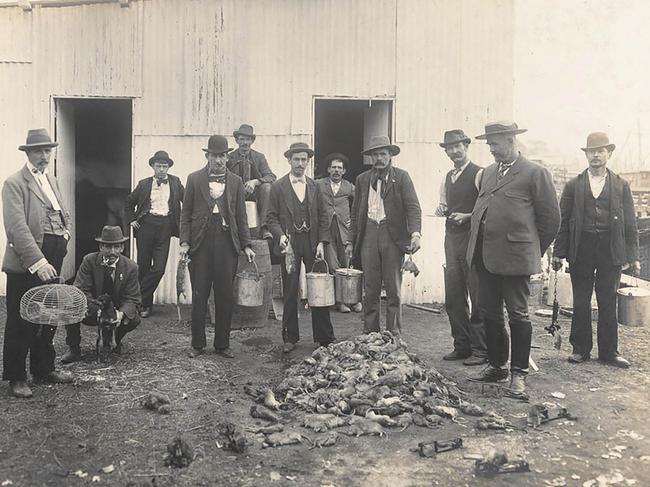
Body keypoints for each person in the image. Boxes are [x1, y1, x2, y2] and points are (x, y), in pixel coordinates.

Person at [466, 121, 560, 397]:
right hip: (485, 256)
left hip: (516, 258)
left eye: (495, 144)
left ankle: (519, 374)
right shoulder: (488, 173)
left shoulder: (535, 173)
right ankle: (497, 365)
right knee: (490, 313)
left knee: (518, 315)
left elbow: (551, 220)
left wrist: (531, 250)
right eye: (490, 144)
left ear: (511, 141)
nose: (491, 149)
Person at [552, 132, 638, 369]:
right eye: (592, 151)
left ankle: (609, 352)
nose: (596, 155)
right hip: (582, 247)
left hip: (610, 247)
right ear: (586, 155)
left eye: (601, 151)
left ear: (608, 154)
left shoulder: (621, 185)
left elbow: (630, 224)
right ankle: (580, 349)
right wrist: (558, 253)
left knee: (608, 299)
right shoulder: (573, 185)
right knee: (581, 299)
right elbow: (563, 221)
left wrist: (633, 256)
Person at [2, 128, 74, 398]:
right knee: (23, 317)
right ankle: (17, 377)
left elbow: (62, 213)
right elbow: (17, 229)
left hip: (54, 258)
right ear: (28, 153)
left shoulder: (51, 181)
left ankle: (44, 369)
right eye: (38, 151)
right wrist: (38, 261)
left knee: (49, 316)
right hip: (28, 263)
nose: (44, 155)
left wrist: (66, 234)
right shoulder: (14, 184)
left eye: (47, 150)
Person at [180, 135, 255, 359]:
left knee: (224, 296)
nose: (219, 160)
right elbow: (185, 215)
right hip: (200, 244)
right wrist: (185, 242)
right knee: (200, 294)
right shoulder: (194, 179)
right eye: (215, 156)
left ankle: (222, 344)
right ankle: (197, 344)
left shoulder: (235, 181)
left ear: (226, 157)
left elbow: (241, 216)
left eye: (222, 156)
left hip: (226, 244)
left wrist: (247, 244)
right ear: (207, 156)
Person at [348, 135, 422, 335]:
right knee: (370, 287)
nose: (379, 158)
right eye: (375, 154)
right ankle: (370, 332)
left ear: (390, 155)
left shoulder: (402, 177)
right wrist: (350, 240)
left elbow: (413, 208)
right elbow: (355, 214)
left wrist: (415, 234)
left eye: (383, 153)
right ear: (370, 157)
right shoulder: (362, 180)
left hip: (392, 235)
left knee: (393, 287)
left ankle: (393, 333)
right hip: (369, 234)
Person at [266, 142, 335, 352]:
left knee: (319, 287)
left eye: (304, 159)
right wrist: (280, 238)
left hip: (313, 243)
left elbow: (324, 216)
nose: (300, 163)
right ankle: (290, 337)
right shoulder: (278, 187)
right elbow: (270, 217)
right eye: (296, 159)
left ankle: (324, 337)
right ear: (289, 160)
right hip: (290, 244)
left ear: (308, 161)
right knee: (290, 289)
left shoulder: (315, 186)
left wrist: (322, 242)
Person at [435, 129, 487, 365]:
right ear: (445, 151)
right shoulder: (447, 177)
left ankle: (480, 350)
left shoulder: (480, 174)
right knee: (454, 296)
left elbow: (488, 208)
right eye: (449, 148)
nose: (454, 151)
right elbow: (444, 205)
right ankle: (461, 345)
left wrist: (468, 216)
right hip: (451, 240)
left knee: (476, 295)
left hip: (473, 240)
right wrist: (442, 210)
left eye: (458, 146)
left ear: (466, 147)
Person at [62, 226, 141, 361]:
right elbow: (80, 289)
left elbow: (132, 298)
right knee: (70, 306)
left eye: (116, 247)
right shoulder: (89, 261)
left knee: (133, 319)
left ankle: (114, 341)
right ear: (100, 247)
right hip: (92, 309)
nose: (112, 252)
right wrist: (96, 309)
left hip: (115, 310)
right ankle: (74, 349)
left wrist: (120, 314)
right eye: (108, 247)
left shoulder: (131, 267)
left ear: (122, 248)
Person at [124, 150, 184, 318]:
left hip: (165, 226)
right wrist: (132, 220)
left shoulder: (175, 182)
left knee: (158, 268)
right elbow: (129, 202)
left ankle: (135, 298)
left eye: (165, 166)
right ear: (152, 166)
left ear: (168, 168)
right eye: (159, 166)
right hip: (146, 226)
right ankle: (145, 306)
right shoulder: (144, 184)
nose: (162, 170)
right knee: (143, 266)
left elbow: (188, 199)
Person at [315, 153, 361, 313]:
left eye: (339, 168)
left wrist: (354, 221)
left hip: (344, 229)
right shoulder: (319, 184)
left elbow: (361, 201)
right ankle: (339, 301)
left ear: (344, 171)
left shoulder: (350, 186)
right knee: (333, 264)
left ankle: (353, 300)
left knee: (347, 263)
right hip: (326, 229)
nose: (336, 170)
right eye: (333, 167)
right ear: (328, 169)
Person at [227, 124, 276, 239]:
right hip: (235, 194)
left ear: (252, 141)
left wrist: (255, 182)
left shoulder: (259, 157)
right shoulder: (229, 157)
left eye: (248, 139)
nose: (245, 143)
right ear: (236, 140)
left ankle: (264, 228)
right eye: (242, 139)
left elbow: (271, 176)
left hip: (255, 196)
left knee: (267, 187)